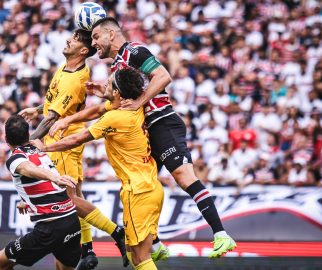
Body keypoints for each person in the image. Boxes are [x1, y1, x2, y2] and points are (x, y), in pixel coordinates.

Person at [50, 17, 236, 259]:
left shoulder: (134, 51)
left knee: (183, 176)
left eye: (96, 37)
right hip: (145, 129)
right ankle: (156, 244)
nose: (94, 43)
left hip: (162, 121)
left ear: (111, 35)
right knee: (143, 182)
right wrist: (102, 95)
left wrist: (139, 101)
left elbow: (163, 76)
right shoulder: (116, 66)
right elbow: (112, 105)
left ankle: (221, 234)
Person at [33, 68, 164, 270]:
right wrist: (104, 93)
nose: (105, 86)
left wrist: (45, 147)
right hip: (153, 188)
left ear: (118, 93)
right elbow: (99, 108)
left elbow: (77, 138)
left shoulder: (115, 118)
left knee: (139, 258)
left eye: (109, 84)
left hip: (137, 191)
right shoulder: (135, 107)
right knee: (137, 255)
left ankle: (102, 241)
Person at [20, 29, 127, 269]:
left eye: (76, 39)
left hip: (63, 141)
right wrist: (36, 109)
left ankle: (116, 232)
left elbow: (52, 119)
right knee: (76, 196)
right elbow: (54, 103)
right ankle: (88, 250)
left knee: (68, 199)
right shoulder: (65, 68)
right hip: (63, 137)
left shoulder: (74, 78)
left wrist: (24, 145)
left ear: (83, 50)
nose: (69, 39)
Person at [0, 115, 81, 270]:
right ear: (28, 135)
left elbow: (29, 169)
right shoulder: (37, 147)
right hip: (71, 222)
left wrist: (55, 178)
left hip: (50, 228)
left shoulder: (15, 159)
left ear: (6, 140)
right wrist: (26, 201)